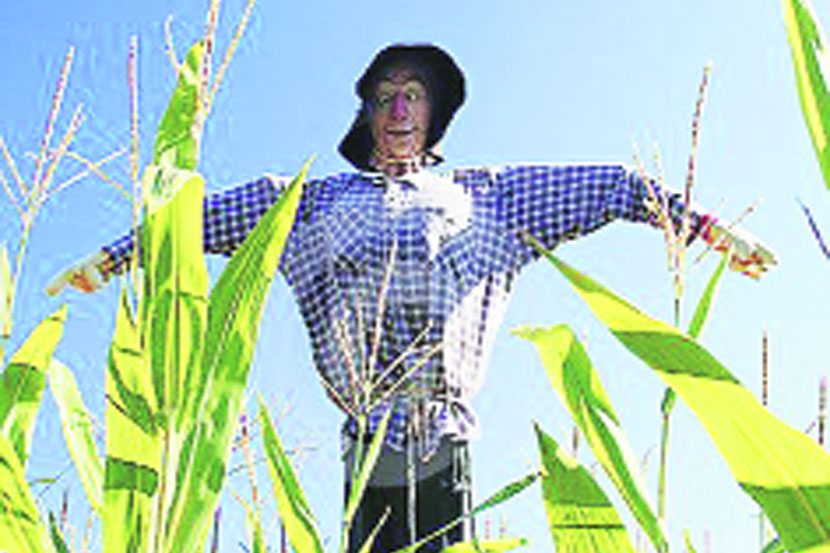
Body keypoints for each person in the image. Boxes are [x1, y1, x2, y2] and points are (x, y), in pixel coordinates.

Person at [48, 44, 776, 552]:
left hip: (444, 435)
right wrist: (112, 257)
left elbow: (615, 185)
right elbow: (191, 220)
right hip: (365, 436)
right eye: (385, 96)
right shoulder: (308, 202)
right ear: (367, 113)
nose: (399, 107)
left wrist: (708, 229)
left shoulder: (486, 197)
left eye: (415, 94)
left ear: (434, 114)